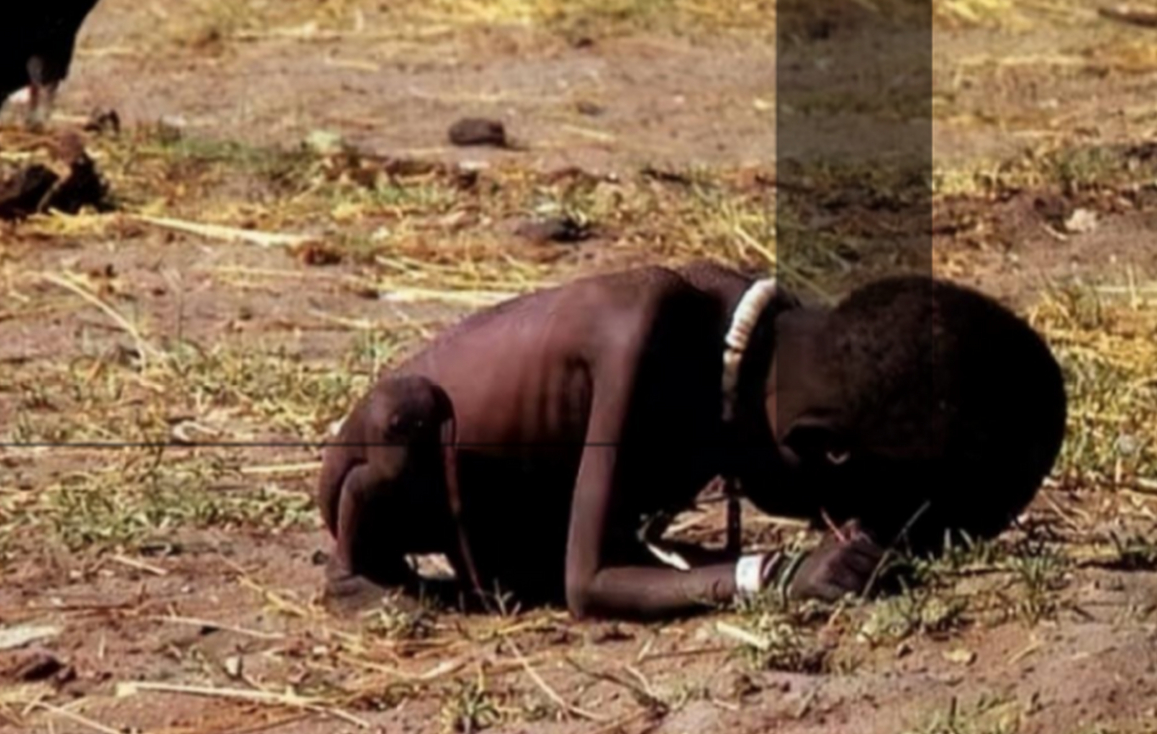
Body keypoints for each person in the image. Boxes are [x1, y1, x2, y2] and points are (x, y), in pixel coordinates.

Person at [316, 262, 1066, 620]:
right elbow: (590, 583)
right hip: (411, 468)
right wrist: (769, 575)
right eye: (839, 511)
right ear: (820, 447)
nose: (837, 529)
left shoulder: (786, 351)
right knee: (400, 421)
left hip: (529, 508)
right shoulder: (647, 333)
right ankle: (362, 574)